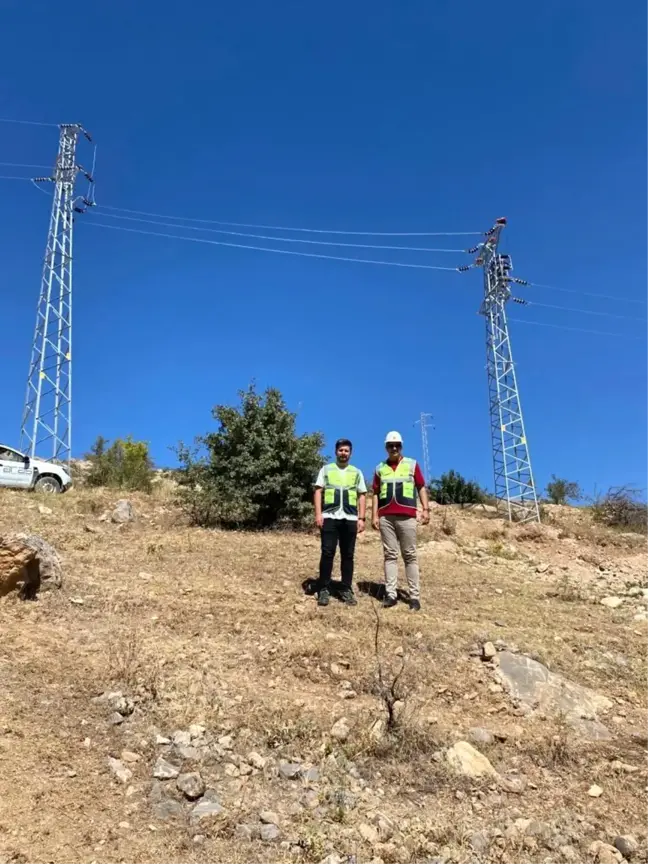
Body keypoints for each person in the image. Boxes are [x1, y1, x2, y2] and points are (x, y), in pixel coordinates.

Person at [371, 430, 429, 611]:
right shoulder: (379, 468)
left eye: (397, 445)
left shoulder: (412, 465)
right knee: (390, 555)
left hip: (407, 516)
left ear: (401, 446)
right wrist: (374, 515)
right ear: (386, 448)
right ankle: (391, 595)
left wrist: (426, 509)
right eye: (390, 445)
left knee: (410, 555)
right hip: (386, 516)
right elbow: (375, 493)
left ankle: (414, 597)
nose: (394, 448)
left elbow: (421, 487)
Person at [313, 438, 367, 607]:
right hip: (330, 517)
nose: (343, 453)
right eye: (341, 450)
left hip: (350, 519)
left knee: (348, 555)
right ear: (335, 452)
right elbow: (318, 490)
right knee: (327, 553)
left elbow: (362, 494)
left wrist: (362, 518)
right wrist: (318, 514)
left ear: (350, 453)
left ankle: (345, 588)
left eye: (346, 451)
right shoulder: (326, 469)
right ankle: (323, 587)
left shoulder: (356, 472)